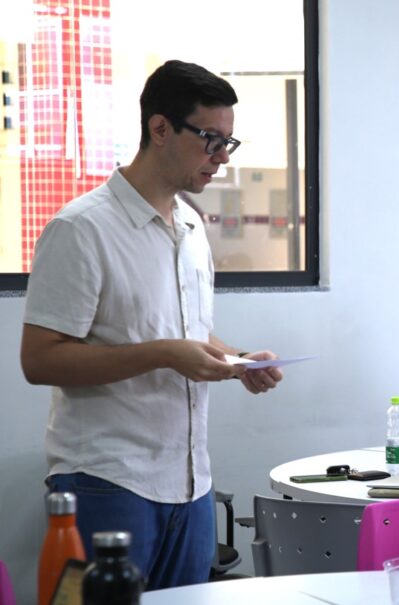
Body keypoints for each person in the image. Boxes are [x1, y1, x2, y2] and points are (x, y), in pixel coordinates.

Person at [20, 60, 284, 590]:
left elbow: (183, 331)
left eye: (229, 143)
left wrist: (235, 361)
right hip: (107, 480)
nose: (221, 158)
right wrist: (164, 354)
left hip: (190, 482)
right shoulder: (81, 228)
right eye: (211, 140)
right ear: (160, 128)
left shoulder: (191, 227)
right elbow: (40, 359)